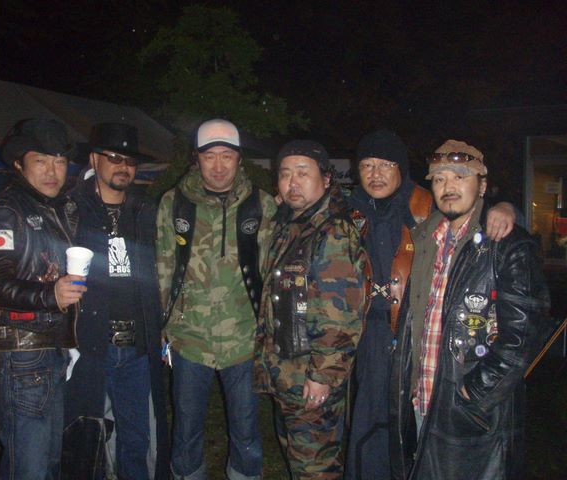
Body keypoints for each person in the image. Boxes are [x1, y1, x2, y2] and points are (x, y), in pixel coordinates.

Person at [345, 129, 517, 480]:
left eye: (385, 164)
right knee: (370, 425)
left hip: (421, 342)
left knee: (420, 440)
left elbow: (476, 215)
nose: (376, 174)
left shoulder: (426, 209)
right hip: (370, 338)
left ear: (402, 168)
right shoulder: (349, 211)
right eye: (367, 165)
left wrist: (506, 207)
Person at [389, 140, 551, 479]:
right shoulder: (425, 238)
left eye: (459, 177)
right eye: (439, 179)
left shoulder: (508, 245)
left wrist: (473, 392)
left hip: (472, 413)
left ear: (482, 185)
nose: (448, 186)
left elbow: (524, 336)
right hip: (422, 398)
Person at [156, 118, 277, 480]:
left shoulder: (261, 204)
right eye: (210, 156)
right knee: (186, 430)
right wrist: (161, 328)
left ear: (239, 159)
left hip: (244, 339)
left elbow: (272, 272)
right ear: (197, 158)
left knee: (246, 432)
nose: (219, 166)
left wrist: (271, 332)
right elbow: (162, 267)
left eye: (227, 156)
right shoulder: (174, 203)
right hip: (189, 340)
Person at [0, 118, 86, 479]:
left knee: (46, 463)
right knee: (30, 466)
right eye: (41, 161)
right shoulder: (4, 211)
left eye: (60, 161)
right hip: (22, 355)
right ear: (19, 164)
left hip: (52, 350)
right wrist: (50, 295)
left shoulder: (57, 208)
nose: (52, 171)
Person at [253, 140, 367, 479]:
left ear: (326, 179)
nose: (292, 183)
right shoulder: (290, 226)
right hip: (287, 375)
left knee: (316, 468)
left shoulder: (332, 232)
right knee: (297, 460)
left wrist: (323, 377)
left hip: (311, 379)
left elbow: (340, 315)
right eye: (285, 174)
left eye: (303, 173)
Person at [62, 123, 169, 479]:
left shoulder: (146, 210)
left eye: (130, 161)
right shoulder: (71, 208)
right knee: (86, 435)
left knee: (137, 437)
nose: (124, 166)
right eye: (114, 158)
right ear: (94, 159)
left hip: (137, 346)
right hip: (89, 343)